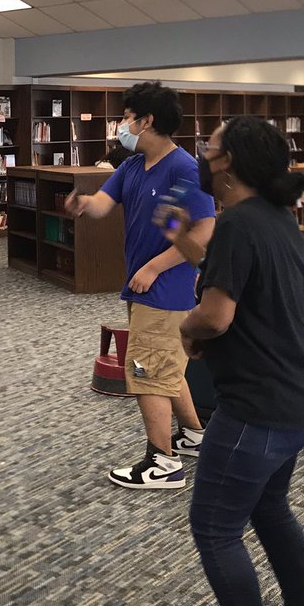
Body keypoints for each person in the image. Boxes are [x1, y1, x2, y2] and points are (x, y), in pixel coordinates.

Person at [159, 116, 304, 606]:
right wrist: (181, 238)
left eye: (208, 146)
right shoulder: (275, 217)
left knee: (214, 530)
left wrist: (187, 330)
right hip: (301, 395)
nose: (201, 153)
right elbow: (229, 276)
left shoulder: (236, 224)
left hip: (258, 407)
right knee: (269, 506)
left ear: (227, 161)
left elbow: (215, 314)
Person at [65, 82, 216, 490]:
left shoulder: (185, 168)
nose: (122, 125)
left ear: (146, 120)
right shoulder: (131, 166)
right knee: (166, 363)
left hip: (167, 287)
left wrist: (155, 267)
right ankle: (195, 435)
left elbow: (204, 230)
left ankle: (162, 463)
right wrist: (82, 203)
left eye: (127, 117)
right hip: (141, 287)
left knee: (147, 369)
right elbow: (102, 204)